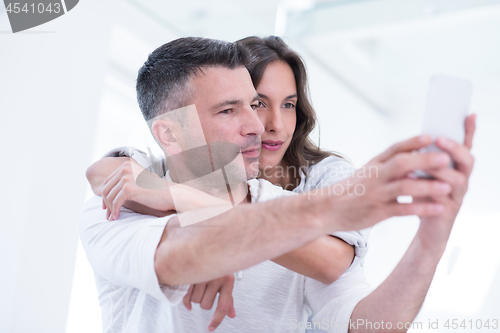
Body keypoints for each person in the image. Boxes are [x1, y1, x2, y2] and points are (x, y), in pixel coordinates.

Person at [79, 36, 475, 333]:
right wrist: (335, 206)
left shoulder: (281, 206)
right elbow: (177, 255)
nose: (260, 126)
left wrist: (431, 239)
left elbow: (371, 324)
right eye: (228, 110)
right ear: (169, 135)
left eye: (253, 104)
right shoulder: (119, 202)